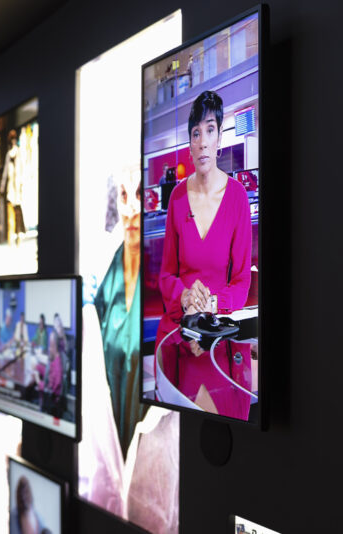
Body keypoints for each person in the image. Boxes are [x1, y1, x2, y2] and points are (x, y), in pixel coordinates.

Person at [155, 90, 253, 419]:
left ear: (219, 138)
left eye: (209, 130)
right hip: (179, 336)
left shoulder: (237, 197)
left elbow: (241, 280)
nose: (202, 141)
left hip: (219, 338)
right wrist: (184, 297)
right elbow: (166, 274)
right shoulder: (177, 199)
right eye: (195, 133)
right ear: (190, 143)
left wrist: (212, 302)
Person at [93, 167, 147, 456]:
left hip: (149, 456)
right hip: (108, 450)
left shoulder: (165, 280)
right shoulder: (105, 278)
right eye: (124, 195)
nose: (131, 210)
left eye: (139, 193)